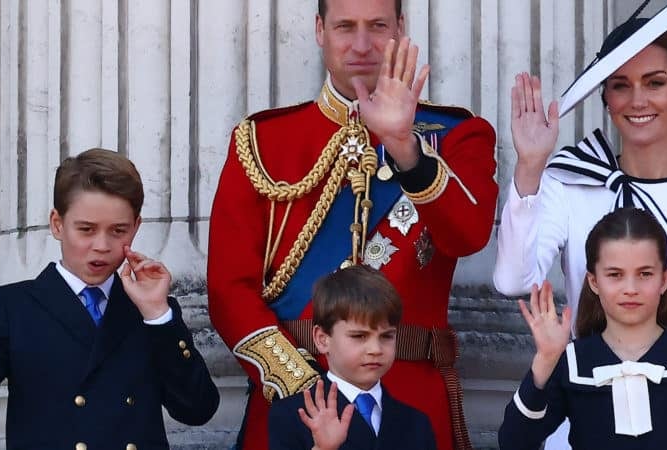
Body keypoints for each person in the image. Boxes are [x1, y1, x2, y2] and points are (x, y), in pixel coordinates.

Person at [208, 1, 497, 449]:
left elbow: (469, 233)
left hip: (409, 406)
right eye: (346, 26)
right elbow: (229, 290)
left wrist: (406, 150)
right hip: (294, 404)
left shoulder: (456, 136)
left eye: (378, 26)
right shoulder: (263, 142)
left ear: (400, 28)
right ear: (320, 29)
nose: (362, 45)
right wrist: (304, 388)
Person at [492, 11, 667, 450]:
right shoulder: (568, 184)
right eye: (620, 85)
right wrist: (529, 168)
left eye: (655, 82)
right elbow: (512, 281)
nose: (638, 100)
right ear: (606, 96)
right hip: (579, 426)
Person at [0, 149, 220, 449]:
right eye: (86, 229)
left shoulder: (149, 311)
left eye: (118, 231)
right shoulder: (13, 306)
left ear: (136, 227)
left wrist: (157, 315)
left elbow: (198, 409)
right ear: (57, 224)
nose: (101, 245)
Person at [498, 208, 667, 450]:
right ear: (594, 281)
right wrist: (545, 361)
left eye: (645, 274)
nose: (630, 288)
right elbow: (514, 443)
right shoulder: (572, 361)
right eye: (615, 275)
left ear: (665, 279)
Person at [268, 265, 436, 450]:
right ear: (322, 339)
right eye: (359, 336)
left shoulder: (416, 423)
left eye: (386, 336)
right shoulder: (292, 415)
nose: (375, 349)